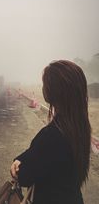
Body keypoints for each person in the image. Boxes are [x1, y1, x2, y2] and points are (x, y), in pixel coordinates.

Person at [10, 60, 91, 204]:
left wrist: (17, 165)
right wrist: (21, 158)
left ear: (52, 91)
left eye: (45, 84)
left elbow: (25, 176)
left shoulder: (52, 135)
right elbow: (38, 154)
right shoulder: (80, 128)